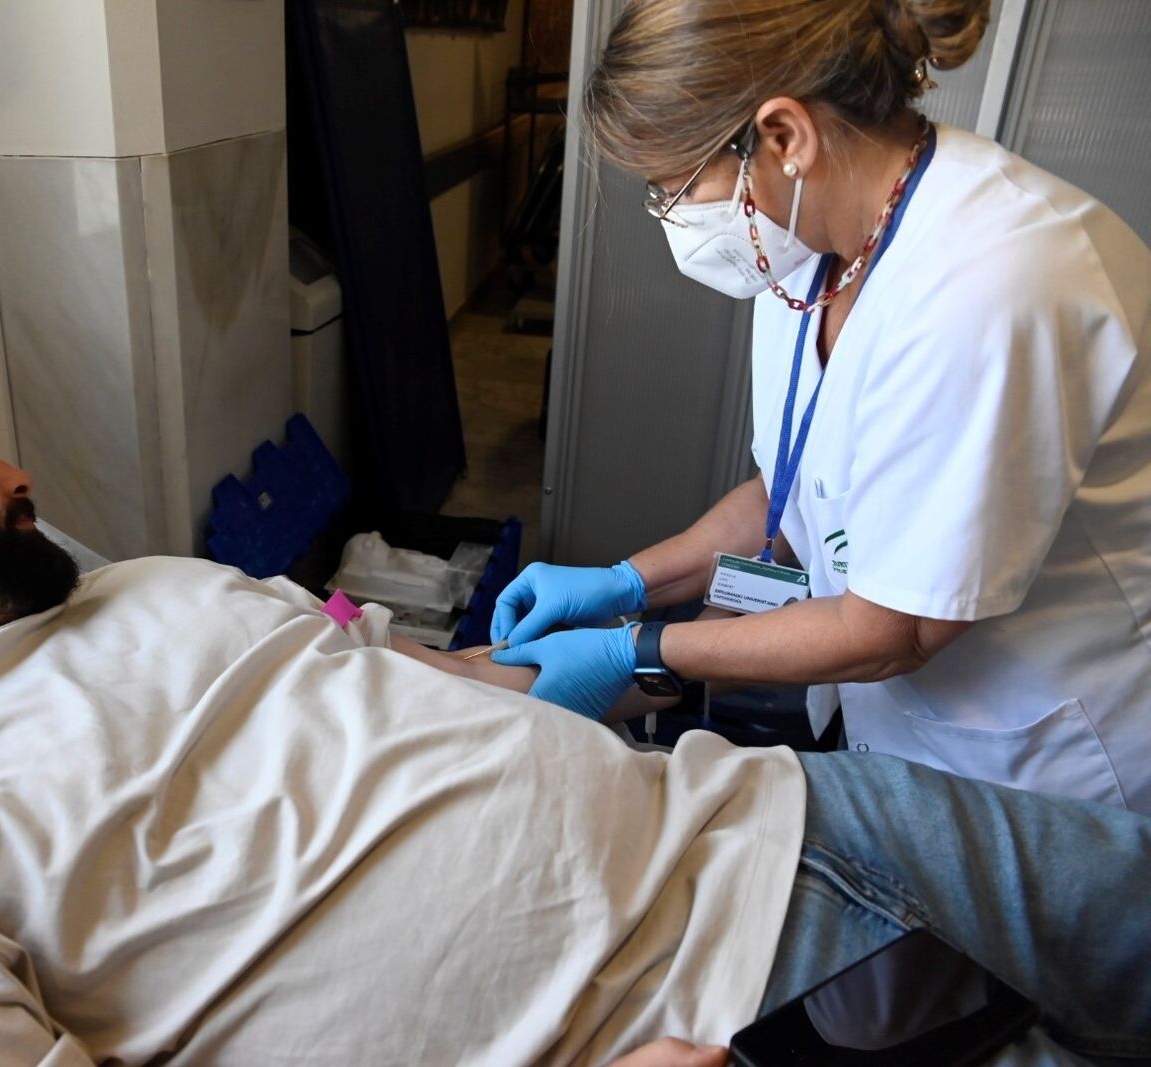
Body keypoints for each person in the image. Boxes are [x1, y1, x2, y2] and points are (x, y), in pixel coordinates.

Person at [0, 367, 1150, 1065]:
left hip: (772, 824)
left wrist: (624, 645)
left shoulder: (160, 587)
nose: (17, 479)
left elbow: (419, 678)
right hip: (634, 1031)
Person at [489, 0, 1151, 813]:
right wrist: (627, 581)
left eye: (676, 187)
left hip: (1048, 762)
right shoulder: (810, 250)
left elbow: (897, 628)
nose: (672, 217)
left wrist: (643, 647)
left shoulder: (994, 285)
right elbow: (789, 494)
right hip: (901, 727)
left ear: (784, 138)